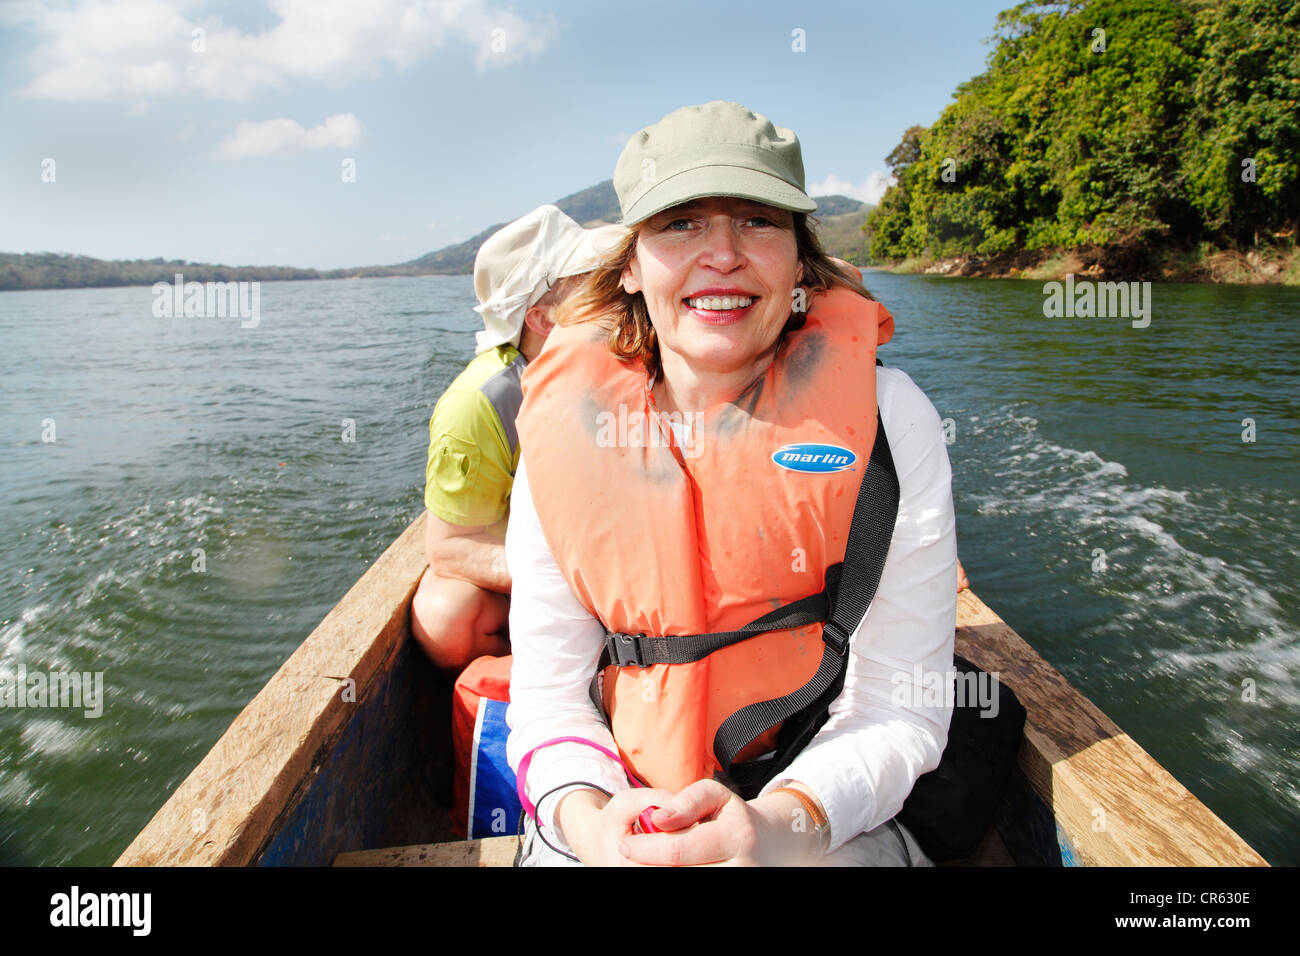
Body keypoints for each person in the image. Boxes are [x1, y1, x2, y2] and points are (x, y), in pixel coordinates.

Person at [505, 102, 958, 866]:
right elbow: (549, 703)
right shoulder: (565, 433)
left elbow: (895, 707)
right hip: (617, 800)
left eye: (758, 221)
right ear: (630, 265)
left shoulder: (892, 419)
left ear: (799, 260)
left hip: (817, 798)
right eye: (679, 224)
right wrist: (591, 824)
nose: (722, 254)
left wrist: (777, 827)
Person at [411, 205, 625, 672]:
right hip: (557, 563)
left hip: (606, 547)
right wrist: (576, 580)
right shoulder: (480, 402)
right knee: (446, 616)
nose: (619, 290)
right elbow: (449, 547)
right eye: (594, 282)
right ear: (543, 320)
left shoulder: (631, 351)